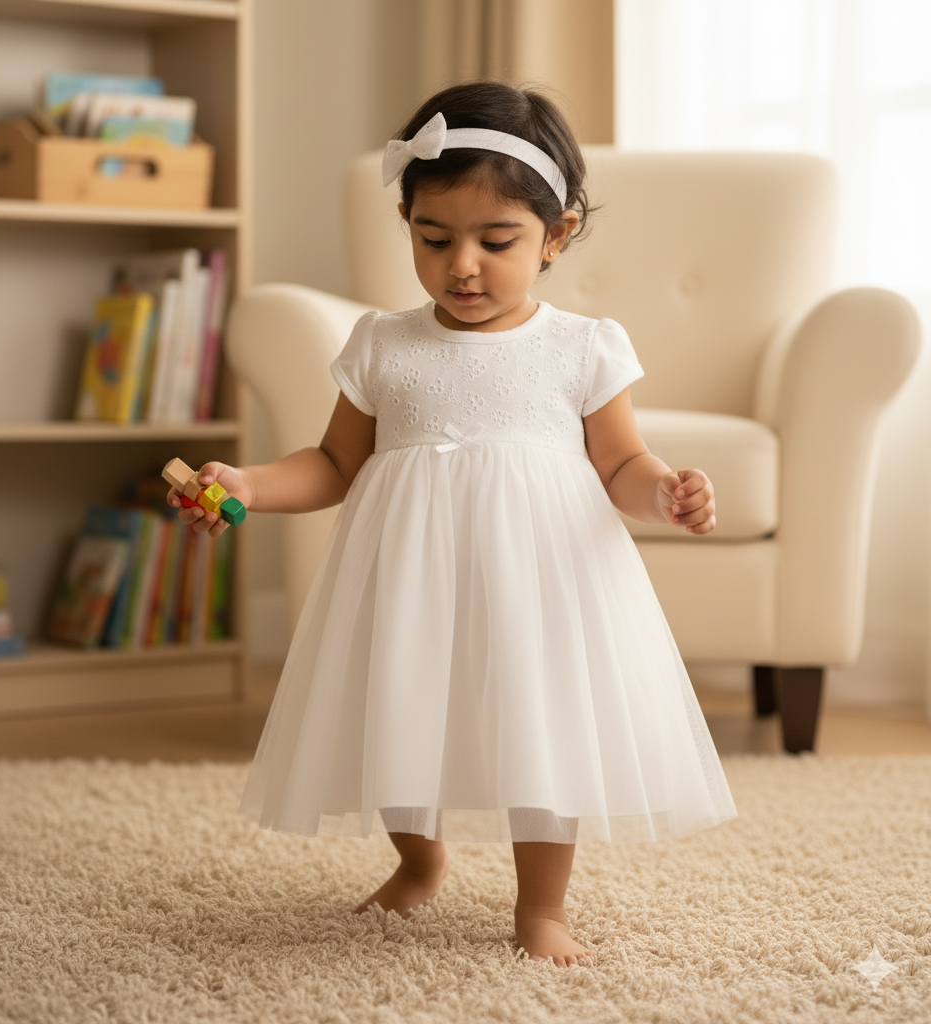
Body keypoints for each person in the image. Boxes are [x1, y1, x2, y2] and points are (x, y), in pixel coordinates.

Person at [167, 81, 738, 968]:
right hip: (406, 577)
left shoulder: (583, 345)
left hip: (540, 580)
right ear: (407, 222)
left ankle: (542, 908)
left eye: (495, 240)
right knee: (400, 714)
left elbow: (620, 462)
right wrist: (244, 481)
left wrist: (664, 490)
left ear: (557, 234)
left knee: (544, 734)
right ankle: (420, 859)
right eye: (433, 239)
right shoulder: (383, 342)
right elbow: (331, 464)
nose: (461, 264)